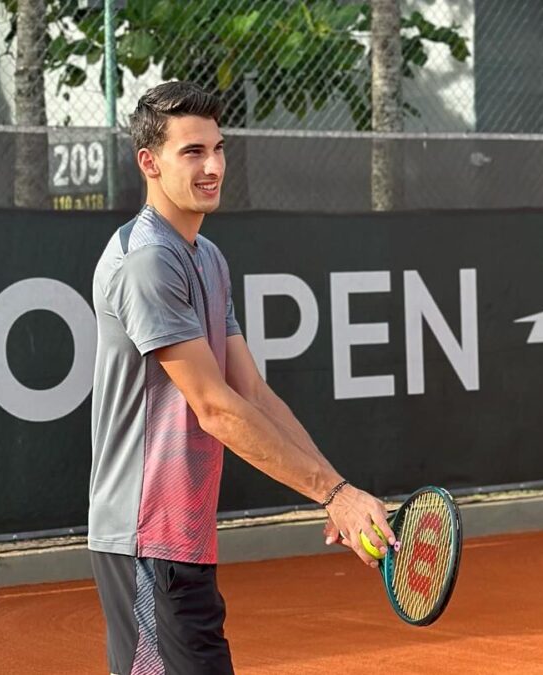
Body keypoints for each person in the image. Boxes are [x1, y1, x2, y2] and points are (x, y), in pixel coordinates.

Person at [87, 80, 396, 674]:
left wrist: (336, 493)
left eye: (218, 149)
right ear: (148, 163)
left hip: (182, 539)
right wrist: (333, 494)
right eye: (192, 152)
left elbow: (252, 392)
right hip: (145, 537)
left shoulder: (205, 257)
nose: (212, 167)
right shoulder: (148, 263)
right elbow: (214, 407)